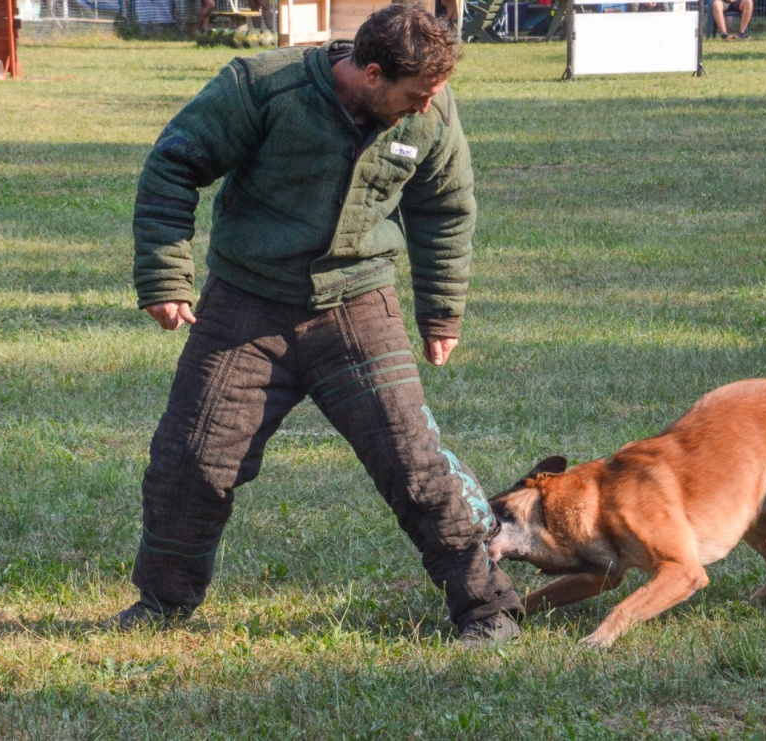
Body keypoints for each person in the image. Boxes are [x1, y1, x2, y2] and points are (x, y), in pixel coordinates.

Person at [107, 3, 524, 647]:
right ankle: (163, 603)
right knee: (190, 462)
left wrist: (441, 310)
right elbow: (174, 163)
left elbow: (445, 207)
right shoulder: (261, 86)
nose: (426, 108)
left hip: (359, 308)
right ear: (372, 72)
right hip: (244, 308)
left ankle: (487, 609)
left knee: (414, 463)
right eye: (414, 95)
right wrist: (165, 277)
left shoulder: (433, 110)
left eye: (433, 95)